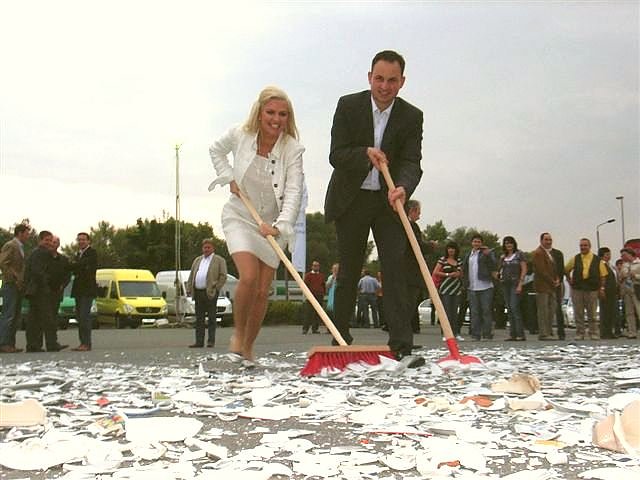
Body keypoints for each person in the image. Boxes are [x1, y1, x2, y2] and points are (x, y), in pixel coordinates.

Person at [324, 50, 424, 367]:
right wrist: (364, 154)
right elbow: (336, 154)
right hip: (351, 199)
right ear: (369, 77)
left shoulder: (412, 116)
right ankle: (340, 340)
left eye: (392, 80)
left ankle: (402, 345)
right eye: (379, 79)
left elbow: (412, 161)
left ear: (402, 82)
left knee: (395, 269)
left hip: (388, 202)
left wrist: (403, 187)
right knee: (349, 270)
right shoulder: (348, 106)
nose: (384, 86)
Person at [209, 86, 304, 362]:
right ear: (259, 112)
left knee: (262, 291)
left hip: (272, 225)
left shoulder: (292, 149)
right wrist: (229, 176)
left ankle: (248, 346)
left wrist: (280, 226)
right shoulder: (240, 134)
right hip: (240, 214)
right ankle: (238, 334)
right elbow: (216, 150)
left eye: (283, 114)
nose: (276, 119)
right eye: (270, 112)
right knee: (248, 277)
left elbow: (294, 190)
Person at [24, 230, 67, 352]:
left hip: (35, 290)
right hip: (41, 290)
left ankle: (33, 345)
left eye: (50, 240)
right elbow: (37, 271)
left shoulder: (36, 253)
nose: (49, 243)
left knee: (35, 318)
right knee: (48, 318)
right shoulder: (41, 253)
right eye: (46, 240)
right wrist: (47, 281)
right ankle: (51, 344)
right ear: (40, 240)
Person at [186, 238, 228, 348]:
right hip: (198, 292)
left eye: (208, 247)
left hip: (210, 292)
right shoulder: (197, 260)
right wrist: (189, 289)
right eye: (204, 247)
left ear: (213, 248)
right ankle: (199, 342)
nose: (206, 249)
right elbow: (192, 275)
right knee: (199, 319)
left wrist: (217, 288)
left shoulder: (219, 260)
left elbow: (223, 276)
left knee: (211, 318)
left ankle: (210, 341)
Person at [565, 238, 608, 340]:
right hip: (578, 289)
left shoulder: (597, 260)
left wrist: (601, 288)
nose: (583, 247)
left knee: (592, 313)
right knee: (578, 312)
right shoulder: (575, 258)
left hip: (592, 289)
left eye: (585, 245)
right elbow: (566, 269)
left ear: (589, 246)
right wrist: (569, 280)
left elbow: (603, 275)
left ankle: (593, 333)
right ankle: (580, 333)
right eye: (581, 245)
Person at [0, 224, 30, 353]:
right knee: (9, 314)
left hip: (19, 286)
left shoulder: (21, 247)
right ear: (20, 233)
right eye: (27, 233)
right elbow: (3, 262)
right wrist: (14, 278)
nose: (28, 236)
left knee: (16, 315)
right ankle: (3, 343)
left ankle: (10, 343)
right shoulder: (11, 245)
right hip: (10, 285)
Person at [404, 200, 433, 334]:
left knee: (407, 303)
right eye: (418, 213)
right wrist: (431, 246)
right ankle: (405, 332)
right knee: (410, 303)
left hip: (402, 270)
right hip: (411, 272)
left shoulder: (397, 224)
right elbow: (416, 245)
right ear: (412, 211)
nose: (419, 216)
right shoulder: (411, 226)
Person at [462, 234, 497, 341]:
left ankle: (487, 334)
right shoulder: (468, 255)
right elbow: (464, 269)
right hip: (472, 287)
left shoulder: (486, 253)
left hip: (485, 286)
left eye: (478, 242)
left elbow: (494, 265)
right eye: (475, 241)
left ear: (481, 243)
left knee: (486, 311)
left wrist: (488, 255)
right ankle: (475, 334)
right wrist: (464, 283)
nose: (476, 243)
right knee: (474, 312)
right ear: (471, 243)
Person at [70, 232, 98, 351]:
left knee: (84, 316)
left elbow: (82, 266)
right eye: (79, 240)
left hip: (87, 290)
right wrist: (76, 266)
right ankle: (82, 342)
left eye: (83, 239)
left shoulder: (92, 253)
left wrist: (75, 266)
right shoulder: (78, 254)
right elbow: (76, 269)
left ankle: (86, 343)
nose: (81, 242)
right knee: (79, 316)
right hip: (79, 290)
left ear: (88, 241)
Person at [497, 236, 528, 341]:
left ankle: (520, 334)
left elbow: (524, 269)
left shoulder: (519, 255)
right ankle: (512, 334)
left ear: (514, 244)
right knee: (509, 308)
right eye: (506, 243)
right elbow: (499, 270)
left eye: (510, 243)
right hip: (505, 284)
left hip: (515, 283)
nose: (509, 245)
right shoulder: (503, 257)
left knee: (515, 307)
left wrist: (520, 283)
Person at [532, 232, 560, 340]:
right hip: (542, 286)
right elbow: (542, 270)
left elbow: (553, 269)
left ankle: (549, 331)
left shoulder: (549, 253)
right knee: (543, 310)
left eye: (550, 240)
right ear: (541, 241)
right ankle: (544, 333)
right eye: (546, 240)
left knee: (551, 310)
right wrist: (552, 281)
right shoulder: (538, 253)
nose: (548, 242)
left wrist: (557, 279)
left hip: (551, 286)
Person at [433, 241, 464, 340]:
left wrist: (458, 274)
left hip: (456, 289)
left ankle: (456, 333)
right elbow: (436, 272)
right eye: (449, 248)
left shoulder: (459, 260)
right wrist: (447, 274)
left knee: (455, 312)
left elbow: (462, 273)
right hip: (445, 289)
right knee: (446, 312)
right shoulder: (442, 260)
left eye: (453, 248)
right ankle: (445, 333)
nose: (451, 250)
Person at [48, 236, 71, 338]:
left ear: (58, 244)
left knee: (53, 316)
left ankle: (53, 341)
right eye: (51, 242)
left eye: (55, 242)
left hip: (57, 292)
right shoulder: (43, 257)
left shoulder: (63, 259)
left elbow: (68, 275)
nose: (53, 244)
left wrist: (62, 285)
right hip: (44, 292)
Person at [619, 248, 639, 339]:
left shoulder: (638, 263)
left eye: (624, 255)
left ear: (630, 254)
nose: (622, 257)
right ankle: (632, 332)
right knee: (629, 313)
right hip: (627, 291)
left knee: (638, 310)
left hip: (637, 290)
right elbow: (621, 277)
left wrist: (635, 276)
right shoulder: (624, 265)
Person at [597, 247, 618, 339]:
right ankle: (604, 332)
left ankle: (609, 331)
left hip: (612, 291)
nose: (609, 256)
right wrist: (601, 289)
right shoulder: (601, 265)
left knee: (611, 312)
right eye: (607, 254)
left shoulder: (610, 265)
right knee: (605, 312)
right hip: (606, 291)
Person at [302, 260, 325, 334]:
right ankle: (305, 329)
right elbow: (305, 285)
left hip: (319, 295)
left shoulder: (321, 276)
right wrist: (307, 295)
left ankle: (315, 329)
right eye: (314, 265)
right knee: (308, 312)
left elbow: (323, 285)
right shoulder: (308, 275)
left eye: (317, 266)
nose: (316, 267)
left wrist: (323, 293)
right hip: (311, 296)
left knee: (318, 313)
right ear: (312, 266)